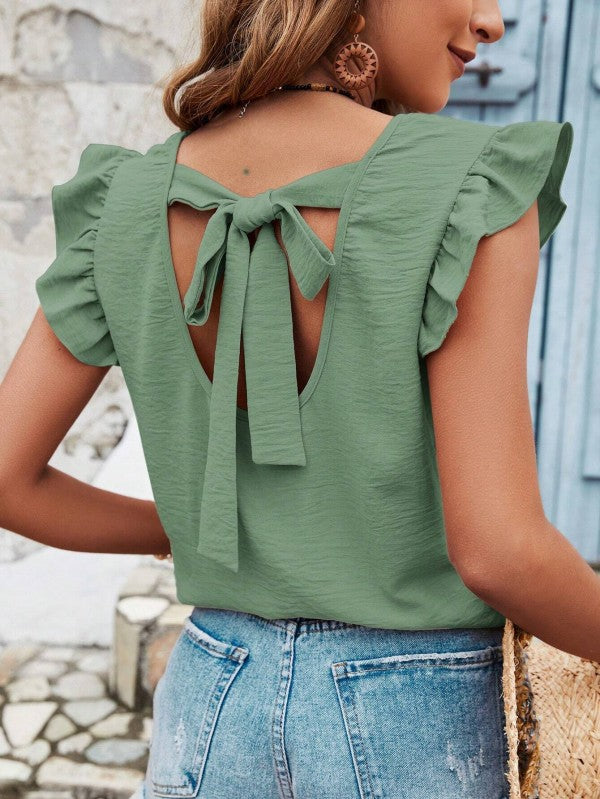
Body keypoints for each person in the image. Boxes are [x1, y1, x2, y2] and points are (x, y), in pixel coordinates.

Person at [0, 0, 594, 797]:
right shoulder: (466, 187)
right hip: (414, 715)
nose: (491, 20)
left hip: (211, 692)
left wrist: (184, 529)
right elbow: (499, 552)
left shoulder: (124, 199)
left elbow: (7, 477)